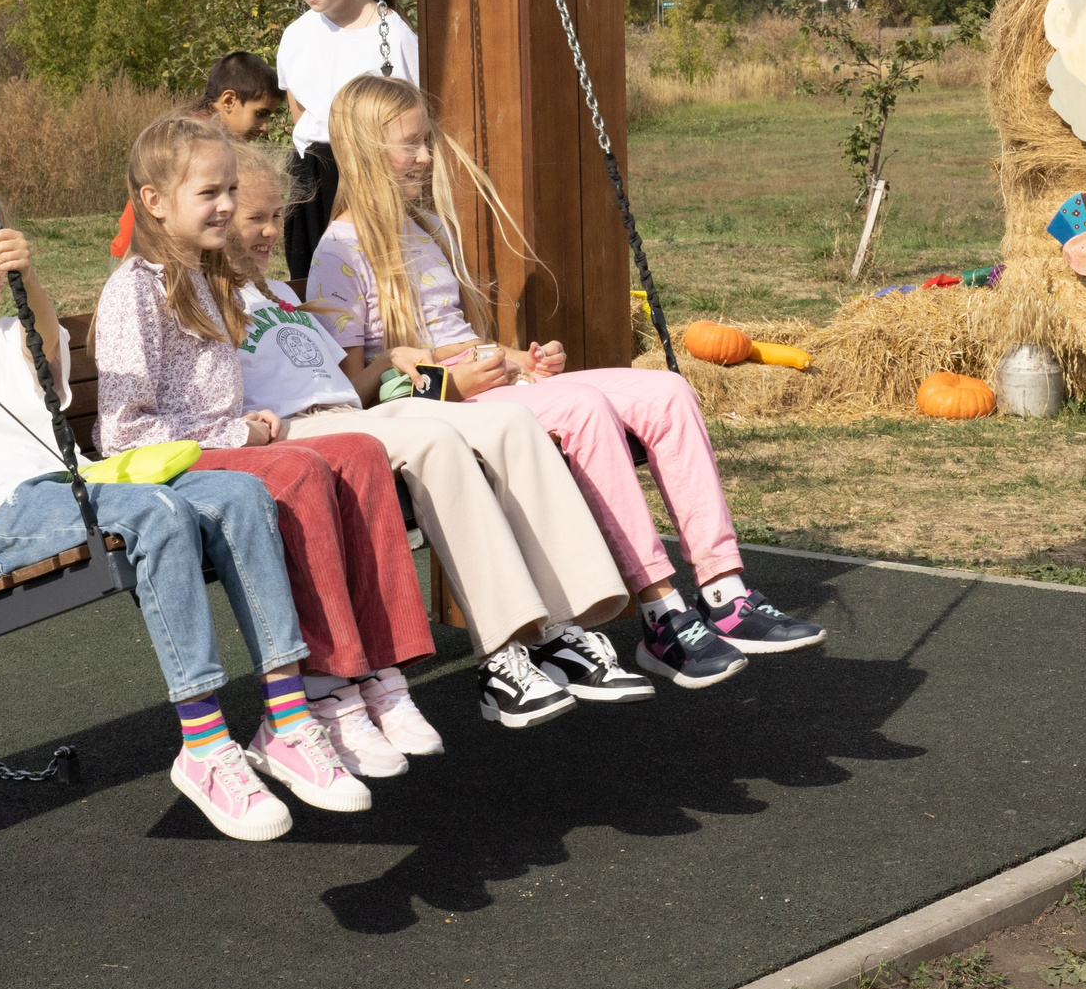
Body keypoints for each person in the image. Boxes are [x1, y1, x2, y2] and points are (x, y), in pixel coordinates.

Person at [0, 151, 358, 842]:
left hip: (76, 490)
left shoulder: (6, 327)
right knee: (159, 511)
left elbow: (44, 354)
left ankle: (287, 717)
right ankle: (205, 747)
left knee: (238, 493)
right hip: (2, 519)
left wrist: (31, 277)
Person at [306, 75, 827, 691]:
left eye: (427, 142)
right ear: (366, 152)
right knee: (581, 407)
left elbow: (466, 341)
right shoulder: (340, 252)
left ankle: (724, 588)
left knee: (665, 390)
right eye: (409, 145)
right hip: (448, 406)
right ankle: (662, 612)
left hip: (489, 383)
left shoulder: (428, 231)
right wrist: (433, 371)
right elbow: (348, 389)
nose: (425, 157)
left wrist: (520, 358)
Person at [227, 141, 646, 728]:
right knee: (438, 443)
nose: (272, 231)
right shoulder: (208, 298)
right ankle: (502, 657)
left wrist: (398, 357)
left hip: (353, 413)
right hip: (297, 433)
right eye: (256, 218)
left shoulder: (284, 296)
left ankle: (563, 624)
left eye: (278, 217)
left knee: (511, 421)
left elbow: (356, 385)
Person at [94, 114, 444, 772]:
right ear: (155, 203)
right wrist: (237, 431)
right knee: (302, 471)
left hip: (224, 444)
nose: (227, 205)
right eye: (210, 194)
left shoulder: (203, 279)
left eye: (231, 191)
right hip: (181, 467)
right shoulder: (134, 293)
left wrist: (249, 417)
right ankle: (329, 688)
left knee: (361, 452)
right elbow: (123, 428)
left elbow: (214, 391)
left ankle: (385, 674)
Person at [276, 0, 419, 290]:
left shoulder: (391, 34)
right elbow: (299, 112)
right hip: (311, 179)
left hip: (369, 175)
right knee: (315, 287)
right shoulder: (296, 35)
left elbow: (411, 118)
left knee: (372, 285)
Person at [110, 52, 286, 260]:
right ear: (229, 100)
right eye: (260, 113)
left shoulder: (208, 141)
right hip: (145, 254)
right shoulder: (190, 143)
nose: (265, 127)